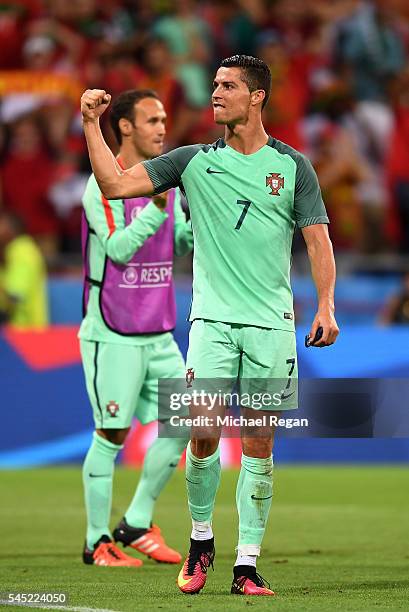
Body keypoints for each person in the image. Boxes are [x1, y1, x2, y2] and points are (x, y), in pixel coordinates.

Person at [80, 55, 339, 594]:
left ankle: (246, 564)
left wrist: (326, 305)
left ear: (257, 96)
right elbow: (111, 184)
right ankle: (201, 544)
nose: (216, 94)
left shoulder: (293, 167)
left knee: (260, 445)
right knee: (200, 435)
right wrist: (90, 123)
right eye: (216, 85)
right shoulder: (191, 161)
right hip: (211, 324)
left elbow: (317, 239)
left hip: (271, 327)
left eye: (228, 86)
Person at [79, 89, 193, 567]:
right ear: (125, 126)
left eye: (164, 119)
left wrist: (199, 223)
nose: (162, 128)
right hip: (113, 331)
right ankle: (96, 541)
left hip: (159, 329)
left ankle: (138, 521)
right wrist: (158, 210)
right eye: (152, 120)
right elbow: (120, 250)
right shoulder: (101, 188)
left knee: (191, 418)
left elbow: (183, 241)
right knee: (112, 434)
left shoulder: (164, 183)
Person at [0, 211, 48, 329]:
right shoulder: (13, 251)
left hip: (24, 332)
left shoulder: (22, 251)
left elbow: (15, 294)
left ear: (10, 229)